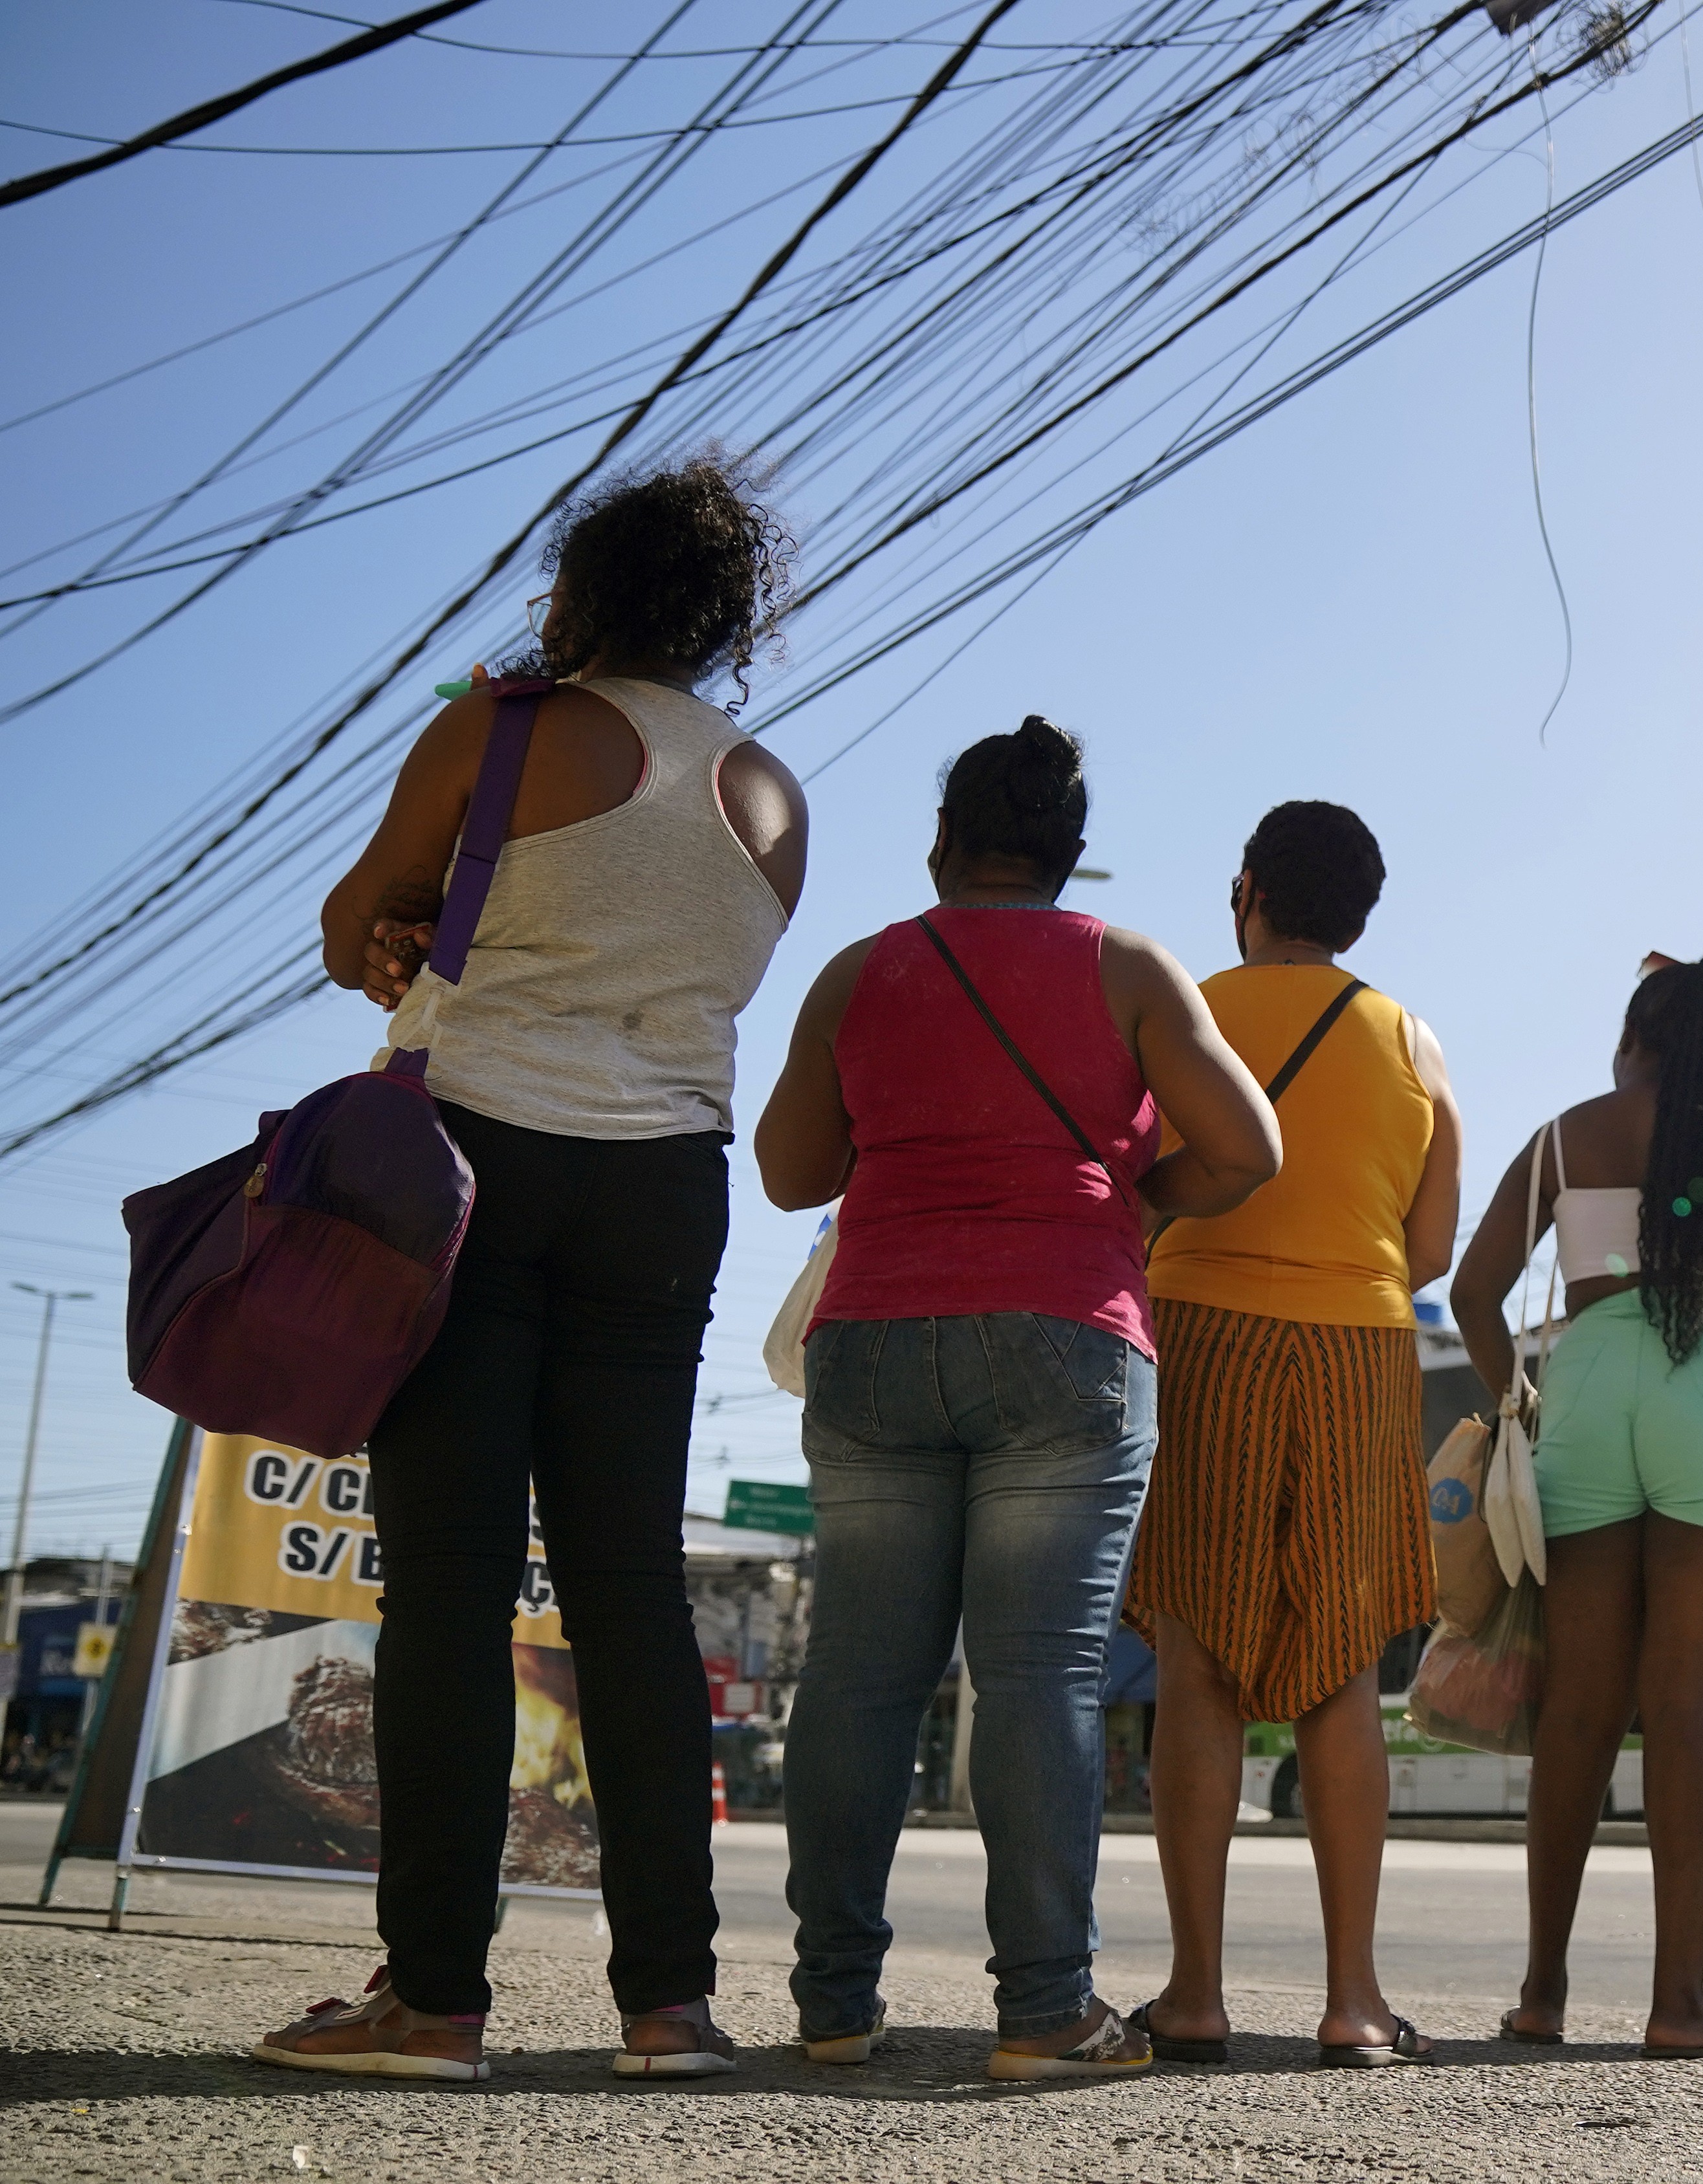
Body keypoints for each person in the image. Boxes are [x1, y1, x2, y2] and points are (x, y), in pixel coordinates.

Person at [263, 455, 804, 2084]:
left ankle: (431, 1999)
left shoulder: (498, 732)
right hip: (665, 1194)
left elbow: (367, 915)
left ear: (580, 591)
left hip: (480, 1163)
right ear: (724, 618)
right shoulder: (772, 792)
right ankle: (670, 2008)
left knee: (450, 1587)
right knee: (631, 1591)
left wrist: (396, 930)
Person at [756, 719, 1281, 2079]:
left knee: (858, 1677)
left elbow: (790, 1168)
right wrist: (1133, 1199)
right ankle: (1045, 2008)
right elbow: (1251, 1146)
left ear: (942, 845)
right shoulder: (1129, 966)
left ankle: (832, 1999)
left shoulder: (860, 970)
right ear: (1068, 859)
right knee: (1039, 1674)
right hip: (1068, 1335)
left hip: (874, 1335)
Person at [1125, 800, 1464, 2069]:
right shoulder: (1414, 1043)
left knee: (1198, 1654)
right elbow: (1428, 1247)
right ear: (1362, 913)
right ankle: (1355, 2001)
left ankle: (1197, 1994)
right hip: (1358, 1346)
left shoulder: (1181, 1010)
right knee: (1338, 1670)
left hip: (1199, 1328)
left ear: (1247, 888)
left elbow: (1135, 1181)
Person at [1453, 950, 1703, 2057]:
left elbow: (1475, 1292)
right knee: (1684, 1709)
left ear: (1634, 1039)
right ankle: (1678, 2005)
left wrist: (1516, 1395)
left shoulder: (1566, 1135)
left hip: (1589, 1384)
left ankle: (1541, 1994)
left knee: (1578, 1709)